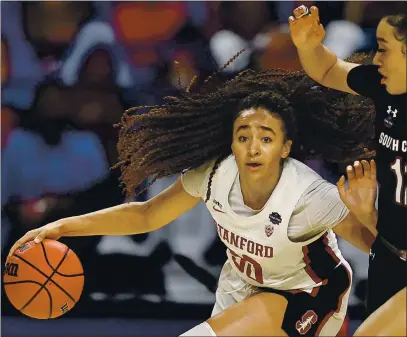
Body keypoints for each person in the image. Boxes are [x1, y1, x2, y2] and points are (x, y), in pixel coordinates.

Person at [8, 68, 376, 336]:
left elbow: (382, 250)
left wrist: (367, 215)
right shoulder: (214, 175)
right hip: (242, 291)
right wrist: (61, 226)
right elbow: (147, 214)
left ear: (286, 148)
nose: (252, 146)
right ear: (231, 143)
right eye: (243, 135)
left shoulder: (307, 195)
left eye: (265, 138)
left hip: (307, 297)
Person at [289, 4, 407, 336]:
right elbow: (327, 70)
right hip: (388, 256)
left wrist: (368, 215)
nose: (376, 60)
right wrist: (308, 46)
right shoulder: (385, 86)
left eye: (384, 50)